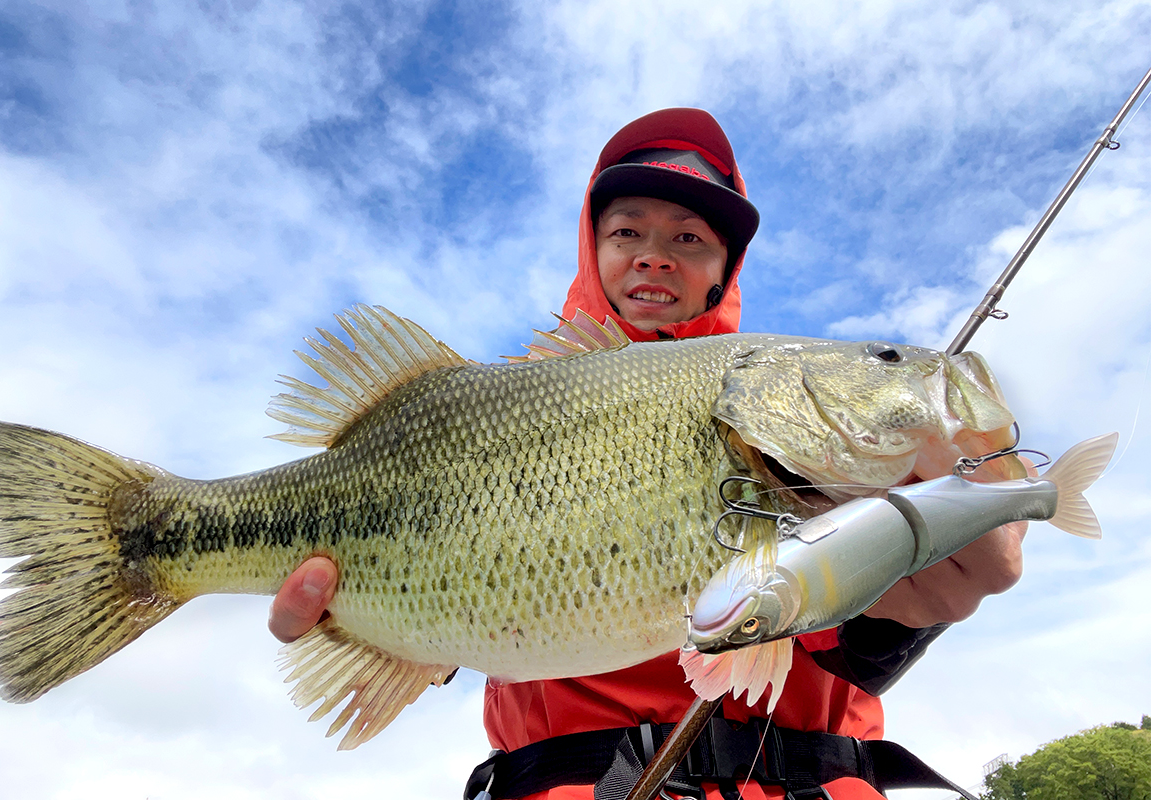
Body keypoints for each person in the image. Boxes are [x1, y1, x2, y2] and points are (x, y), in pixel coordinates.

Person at [269, 109, 1027, 800]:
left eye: (689, 238)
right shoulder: (499, 418)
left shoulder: (784, 424)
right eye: (627, 231)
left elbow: (837, 643)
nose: (655, 257)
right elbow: (471, 603)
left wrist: (909, 608)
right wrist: (395, 634)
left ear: (722, 271)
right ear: (591, 248)